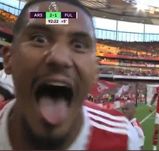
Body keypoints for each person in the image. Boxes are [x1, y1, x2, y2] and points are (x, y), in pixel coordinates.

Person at [0, 0, 139, 149]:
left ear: (95, 70)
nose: (60, 58)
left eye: (78, 45)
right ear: (9, 58)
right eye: (39, 39)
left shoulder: (123, 140)